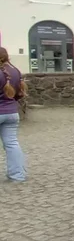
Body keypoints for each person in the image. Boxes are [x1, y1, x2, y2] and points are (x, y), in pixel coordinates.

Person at [0, 48, 27, 182]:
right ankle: (18, 175)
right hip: (11, 112)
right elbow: (18, 93)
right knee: (12, 144)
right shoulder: (15, 71)